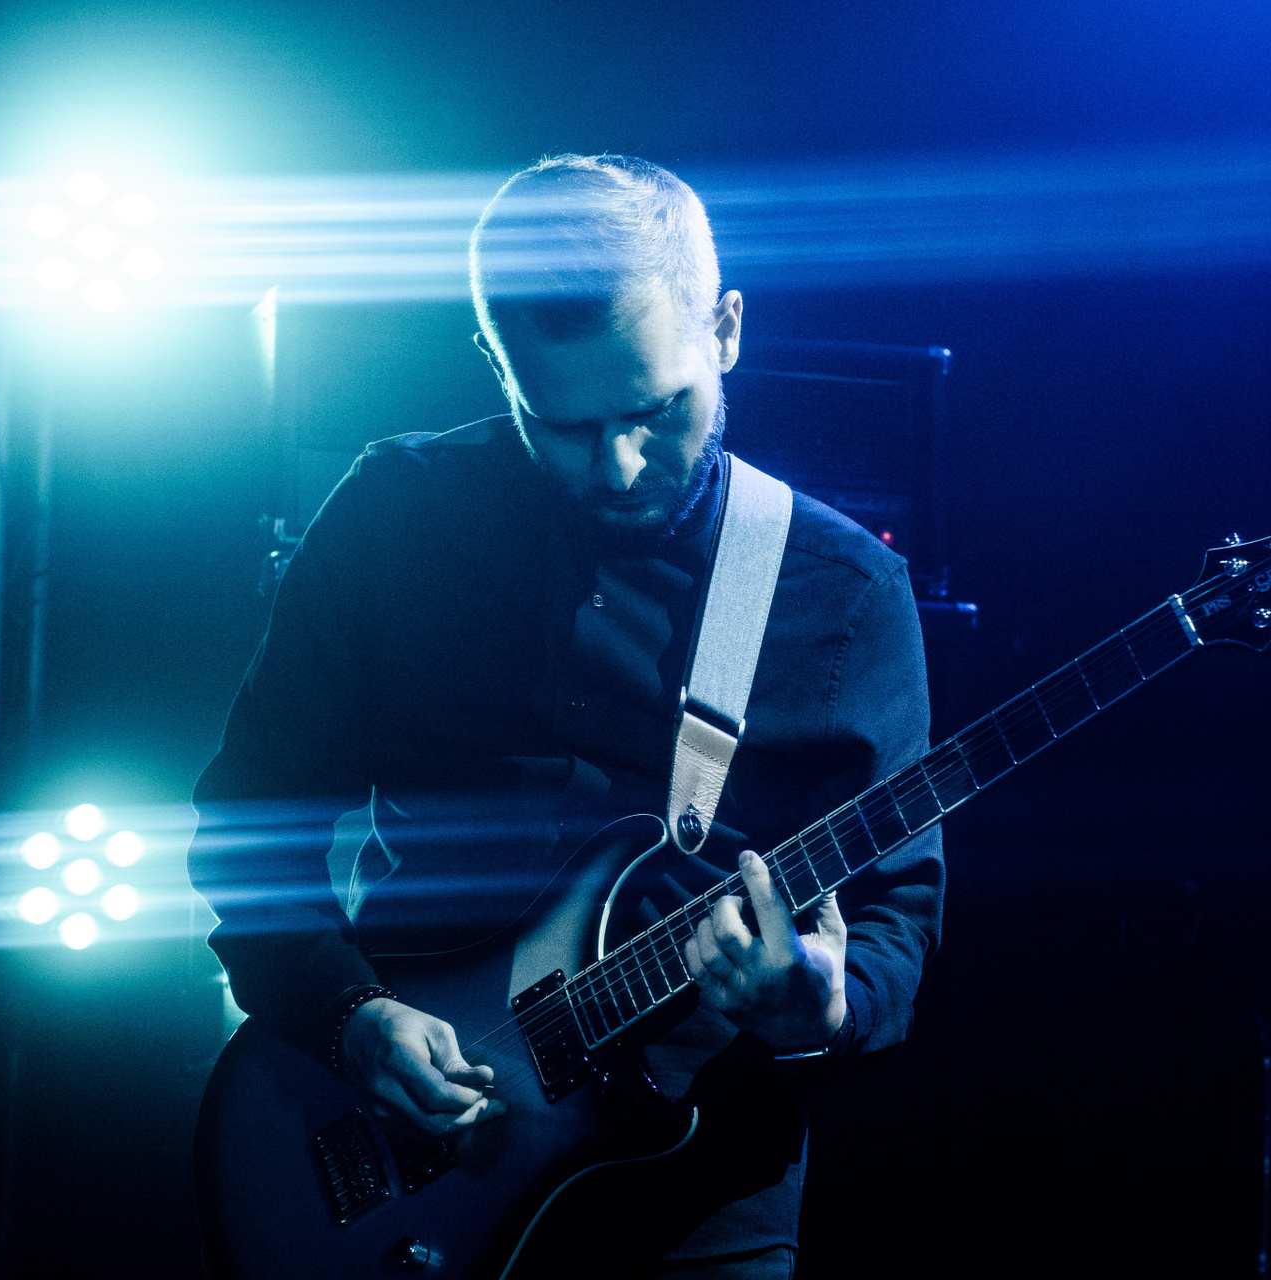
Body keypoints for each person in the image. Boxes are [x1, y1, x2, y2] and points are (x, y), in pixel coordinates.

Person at [188, 153, 943, 1277]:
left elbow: (896, 912)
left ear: (726, 329)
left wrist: (824, 1004)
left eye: (657, 410)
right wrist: (350, 1015)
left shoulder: (845, 595)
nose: (621, 466)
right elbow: (250, 824)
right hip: (400, 1166)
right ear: (495, 361)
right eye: (563, 425)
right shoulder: (394, 519)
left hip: (692, 1210)